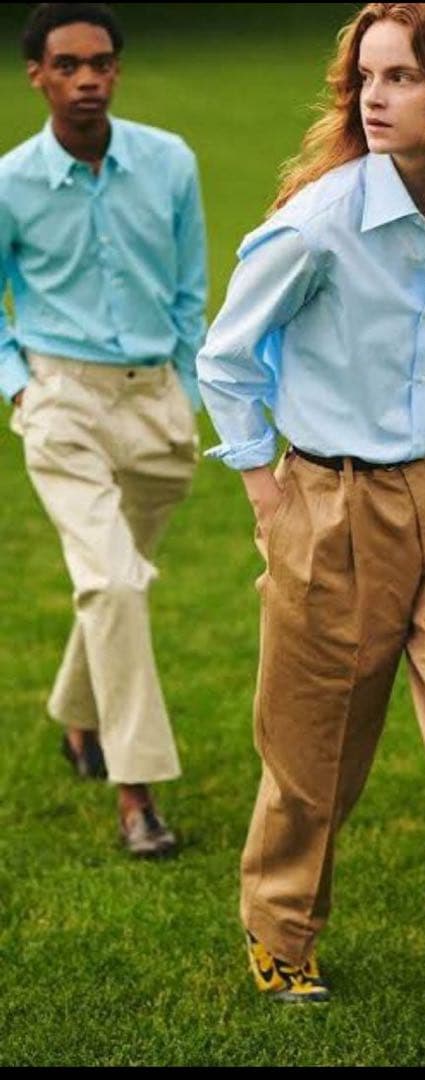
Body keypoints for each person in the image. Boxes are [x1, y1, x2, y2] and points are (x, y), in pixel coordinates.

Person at [197, 2, 425, 1066]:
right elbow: (227, 357)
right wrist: (267, 493)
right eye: (365, 78)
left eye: (400, 77)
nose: (372, 97)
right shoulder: (320, 223)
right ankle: (280, 926)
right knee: (315, 766)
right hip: (334, 509)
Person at [0, 3, 207, 856]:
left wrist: (187, 391)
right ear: (38, 76)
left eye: (101, 63)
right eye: (68, 65)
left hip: (157, 403)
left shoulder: (170, 162)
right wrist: (21, 391)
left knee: (113, 582)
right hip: (63, 403)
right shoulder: (10, 182)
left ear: (117, 70)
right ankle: (137, 793)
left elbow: (191, 289)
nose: (87, 79)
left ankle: (75, 716)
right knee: (116, 585)